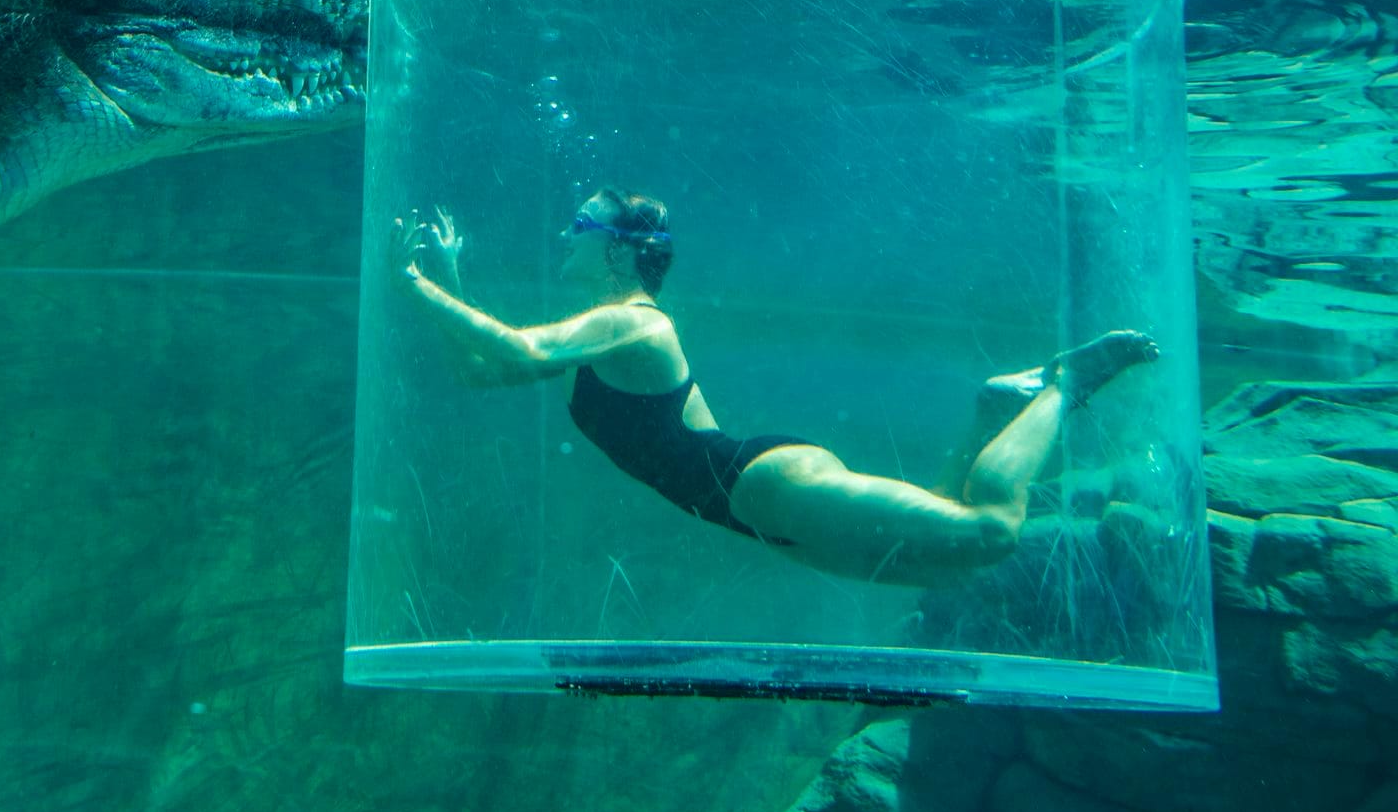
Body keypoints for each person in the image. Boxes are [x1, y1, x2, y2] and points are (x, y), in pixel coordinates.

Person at [395, 188, 1159, 587]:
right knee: (943, 567)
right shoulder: (592, 337)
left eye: (581, 227)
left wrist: (419, 285)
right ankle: (994, 406)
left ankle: (1062, 386)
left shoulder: (632, 324)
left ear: (621, 252)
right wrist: (447, 277)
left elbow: (519, 347)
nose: (567, 235)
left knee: (989, 533)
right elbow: (480, 371)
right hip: (752, 515)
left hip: (766, 484)